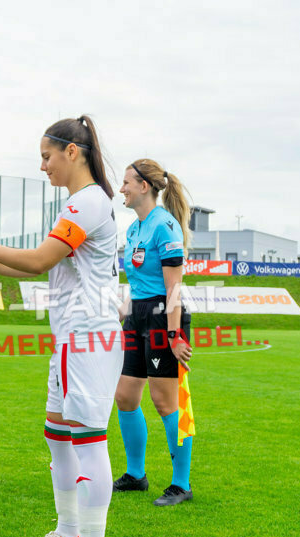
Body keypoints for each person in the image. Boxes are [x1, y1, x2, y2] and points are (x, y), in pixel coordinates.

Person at [0, 116, 119, 537]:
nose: (43, 166)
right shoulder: (78, 203)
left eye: (46, 156)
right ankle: (67, 534)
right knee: (57, 434)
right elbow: (44, 268)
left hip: (89, 336)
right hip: (72, 336)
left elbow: (42, 257)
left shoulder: (87, 202)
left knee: (87, 440)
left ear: (71, 152)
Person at [112, 159, 196, 507]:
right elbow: (137, 282)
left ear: (144, 186)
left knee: (165, 402)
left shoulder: (165, 226)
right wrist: (125, 314)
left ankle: (181, 484)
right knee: (125, 396)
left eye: (127, 183)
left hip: (165, 317)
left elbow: (173, 287)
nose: (122, 189)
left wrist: (175, 335)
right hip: (138, 315)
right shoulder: (134, 229)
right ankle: (136, 475)